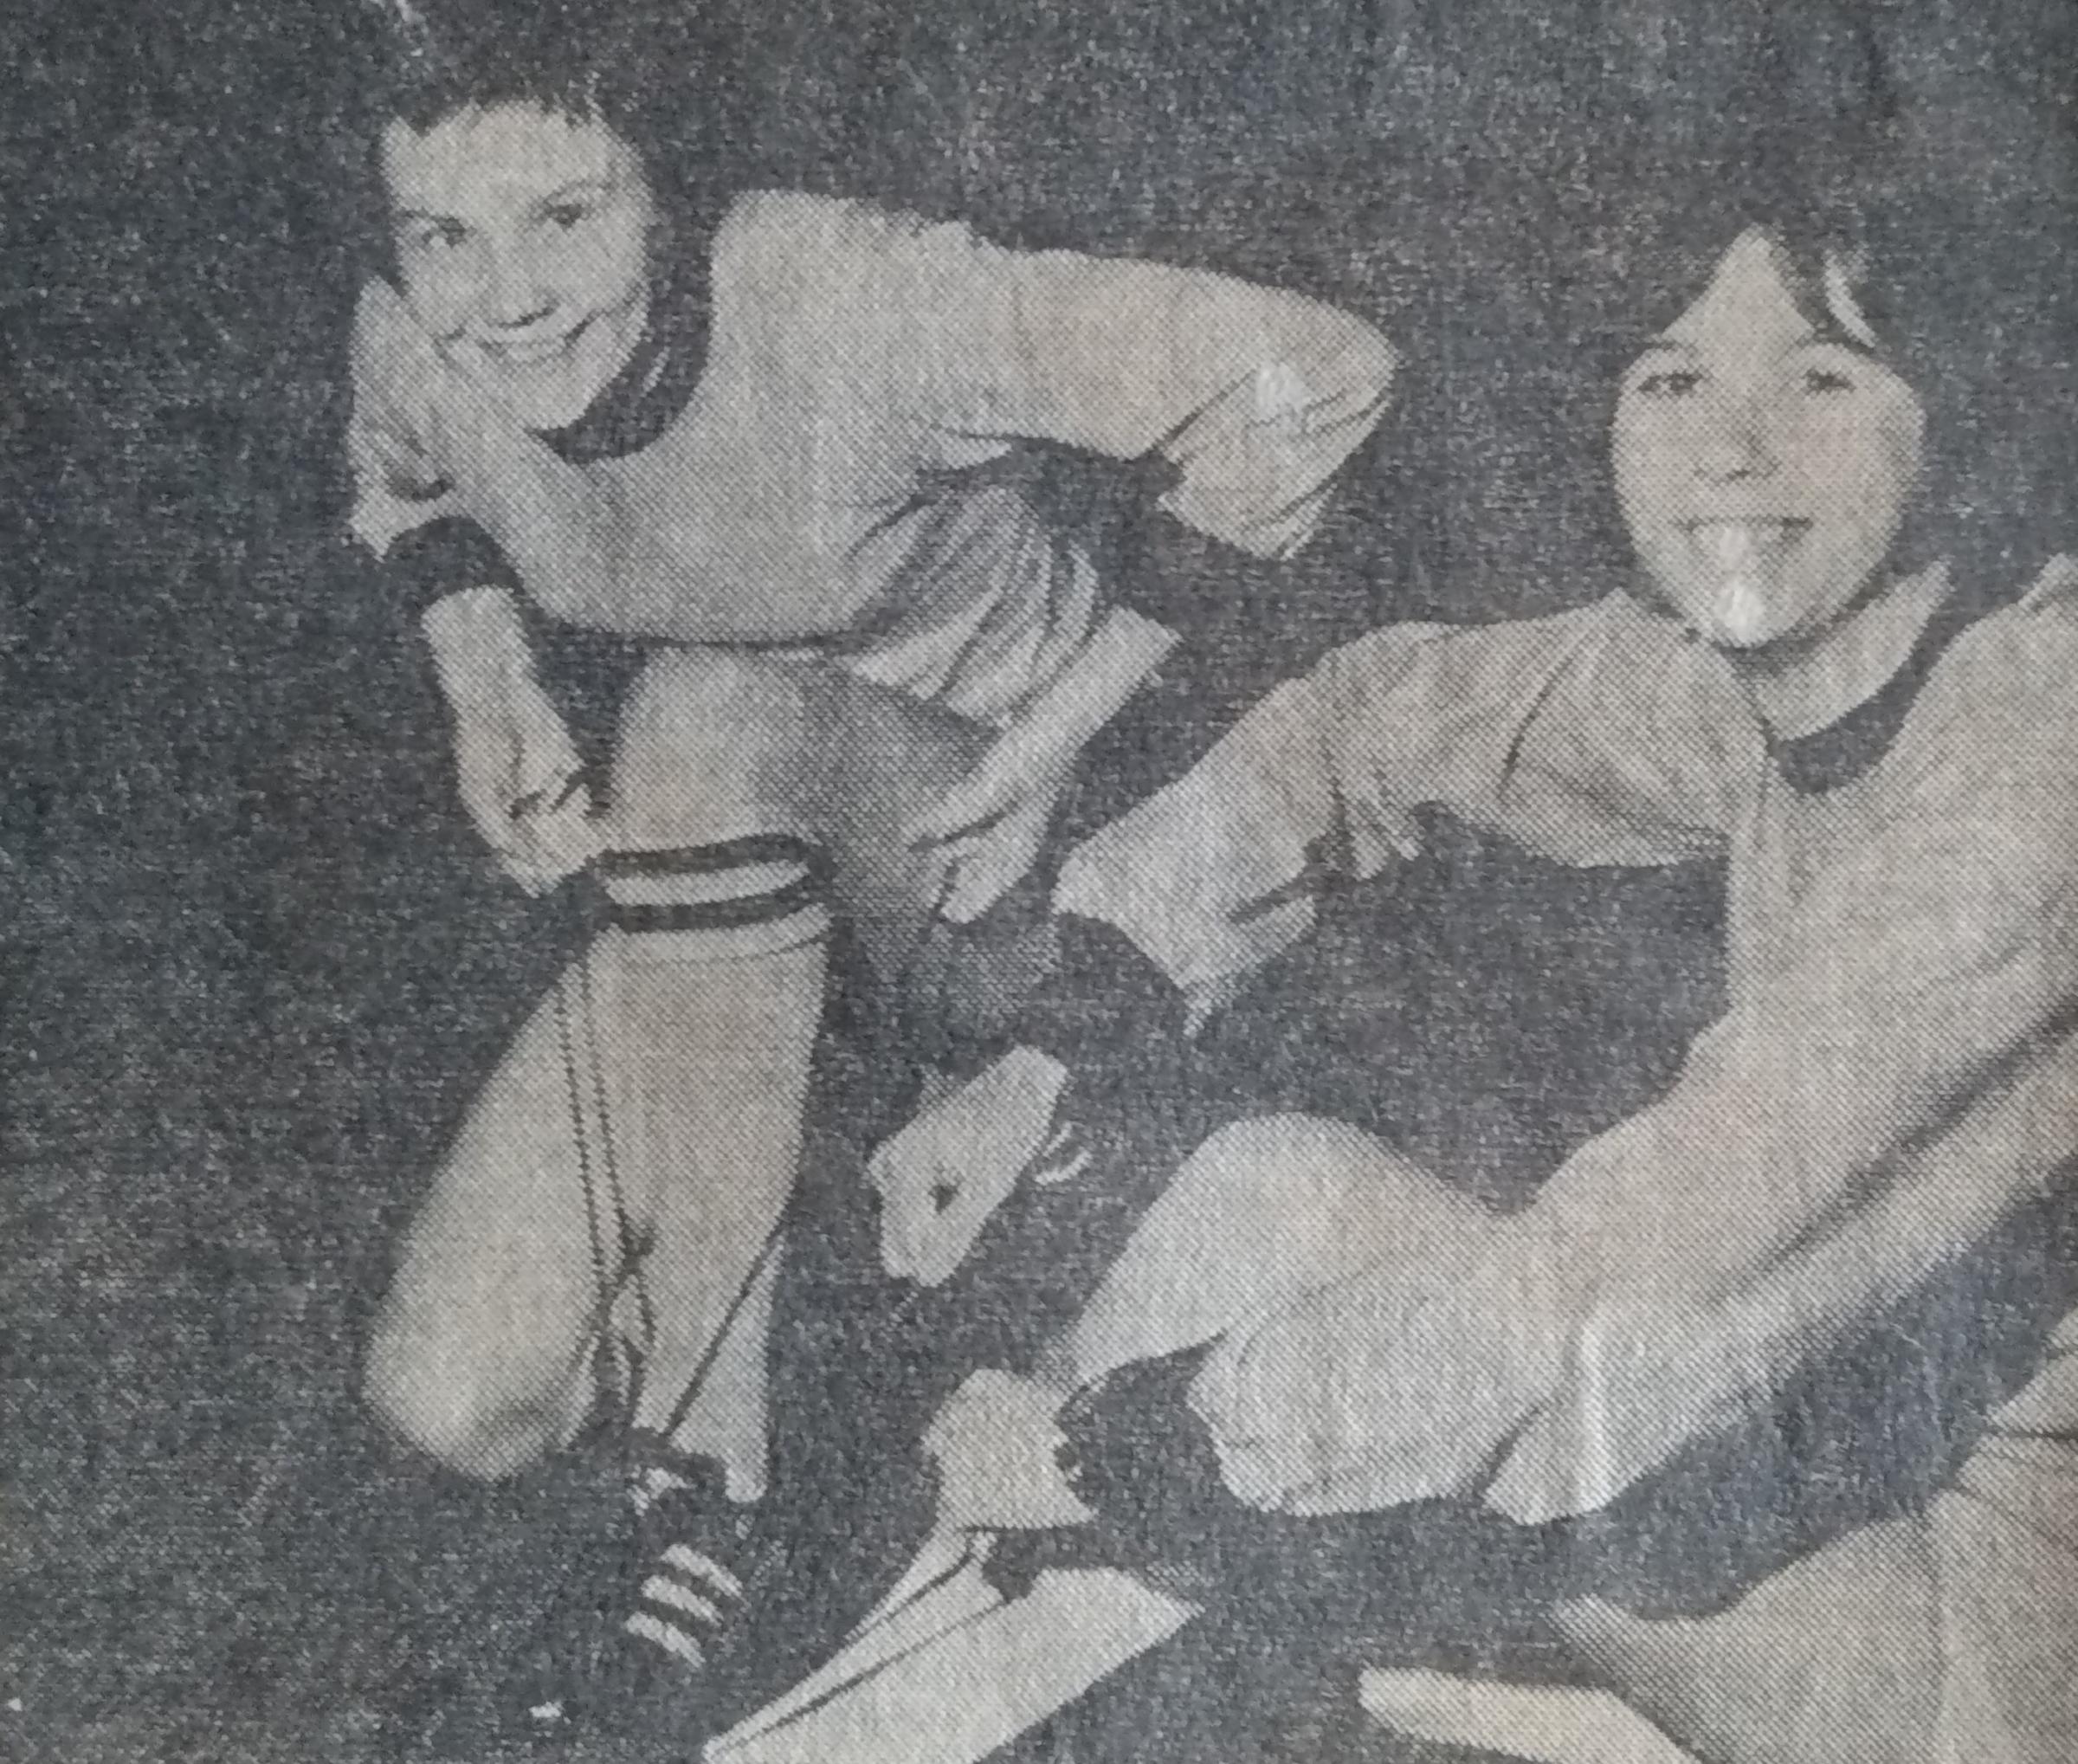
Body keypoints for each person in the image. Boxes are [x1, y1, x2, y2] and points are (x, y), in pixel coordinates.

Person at [862, 130, 2078, 1763]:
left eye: (1822, 384)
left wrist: (1110, 1446)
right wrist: (1055, 1049)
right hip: (1857, 1465)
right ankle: (899, 1702)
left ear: (1968, 420)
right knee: (1270, 1191)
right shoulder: (1792, 673)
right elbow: (1372, 721)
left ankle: (893, 1693)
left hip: (2006, 1646)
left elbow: (1610, 1308)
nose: (1728, 448)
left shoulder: (2034, 765)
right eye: (1669, 380)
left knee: (1378, 1373)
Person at [337, 0, 1397, 1740]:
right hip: (746, 924)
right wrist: (488, 678)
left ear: (671, 190)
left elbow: (1322, 373)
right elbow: (404, 476)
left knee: (696, 717)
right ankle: (829, 1423)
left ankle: (714, 1471)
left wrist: (1056, 727)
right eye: (444, 233)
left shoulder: (857, 296)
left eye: (568, 217)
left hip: (1020, 896)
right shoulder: (424, 330)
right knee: (452, 1395)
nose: (503, 297)